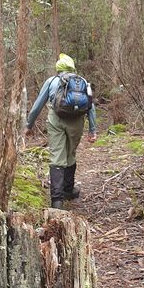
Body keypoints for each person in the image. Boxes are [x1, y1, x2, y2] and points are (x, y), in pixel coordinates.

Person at [25, 54, 97, 208]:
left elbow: (37, 105)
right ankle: (68, 190)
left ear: (58, 68)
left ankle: (57, 200)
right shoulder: (83, 82)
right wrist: (92, 130)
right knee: (70, 154)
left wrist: (29, 125)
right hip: (77, 122)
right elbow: (91, 107)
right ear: (72, 67)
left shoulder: (51, 81)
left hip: (56, 120)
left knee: (57, 156)